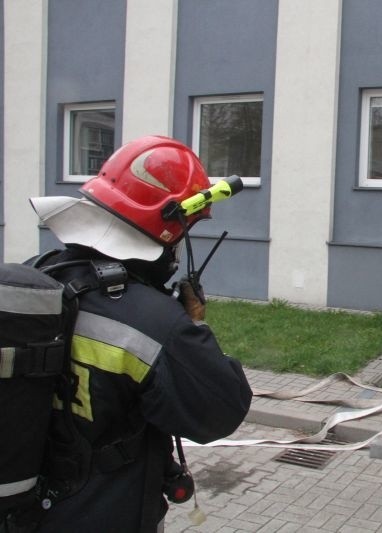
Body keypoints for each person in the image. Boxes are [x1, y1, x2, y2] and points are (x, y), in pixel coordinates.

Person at [25, 136, 253, 532]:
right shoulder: (157, 323)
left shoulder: (37, 277)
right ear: (168, 228)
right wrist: (195, 324)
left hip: (29, 510)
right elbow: (222, 410)